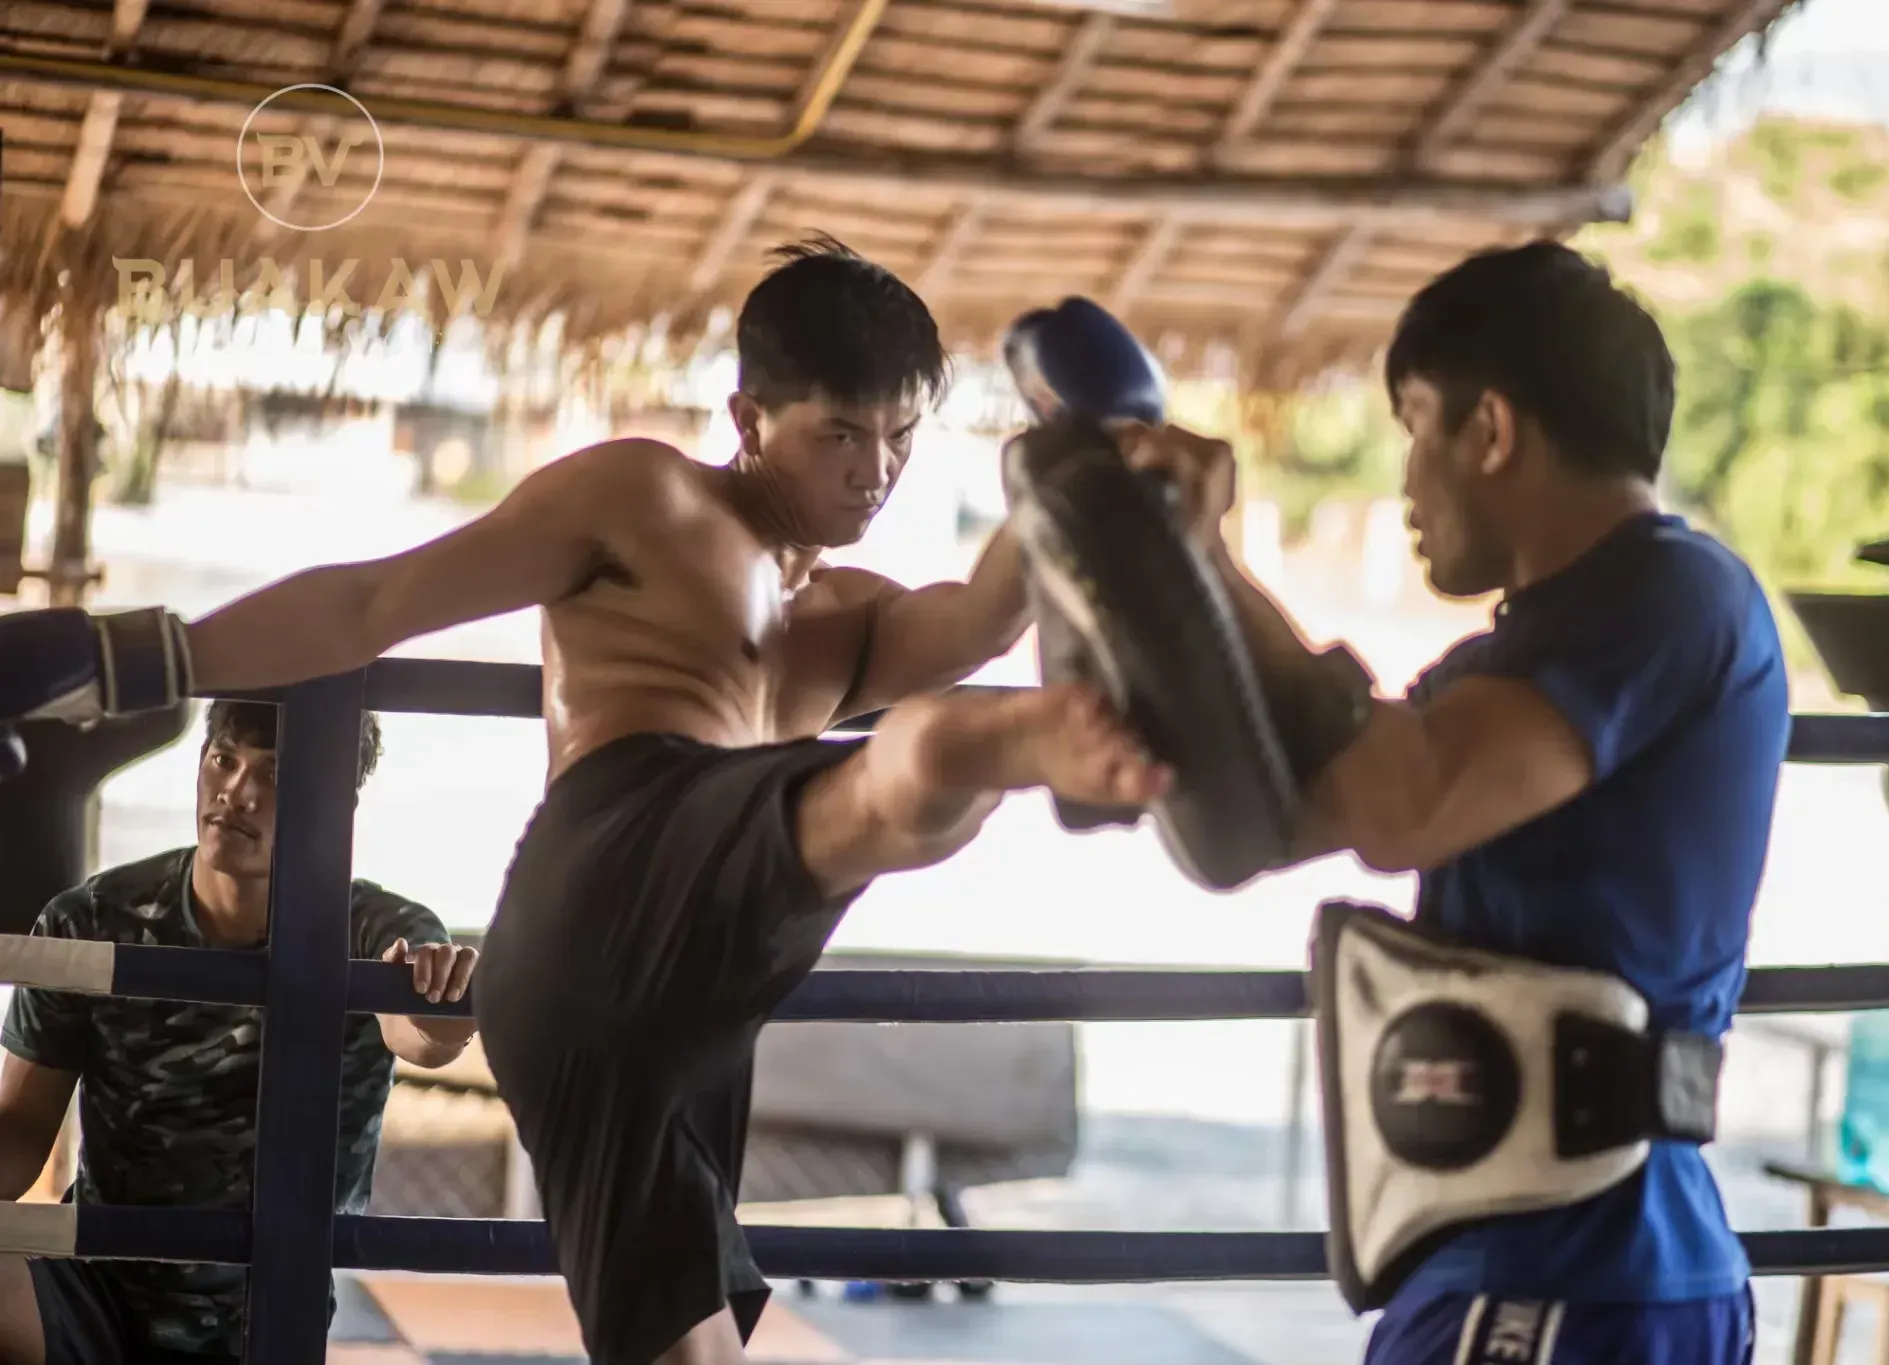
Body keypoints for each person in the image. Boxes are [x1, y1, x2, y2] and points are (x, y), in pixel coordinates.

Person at [0, 237, 1170, 1365]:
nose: (873, 470)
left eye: (900, 438)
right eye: (839, 434)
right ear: (748, 421)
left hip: (694, 999)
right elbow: (376, 603)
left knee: (686, 1347)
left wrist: (1079, 459)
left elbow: (978, 616)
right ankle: (1056, 739)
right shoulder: (644, 499)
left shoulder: (850, 618)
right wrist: (132, 659)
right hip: (608, 879)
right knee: (921, 772)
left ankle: (1034, 738)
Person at [1125, 240, 1782, 1365]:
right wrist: (1193, 576)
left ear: (1489, 430)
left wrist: (1213, 573)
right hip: (1533, 1256)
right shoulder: (1505, 666)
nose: (1406, 480)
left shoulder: (1666, 595)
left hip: (1575, 1272)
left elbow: (1399, 808)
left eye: (1415, 428)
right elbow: (1278, 818)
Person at [0, 699, 479, 1365]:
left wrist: (438, 999)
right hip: (92, 1283)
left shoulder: (377, 928)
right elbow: (20, 1126)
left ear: (332, 803)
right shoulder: (91, 918)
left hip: (263, 1307)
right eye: (224, 759)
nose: (237, 792)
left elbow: (422, 1037)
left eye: (275, 774)